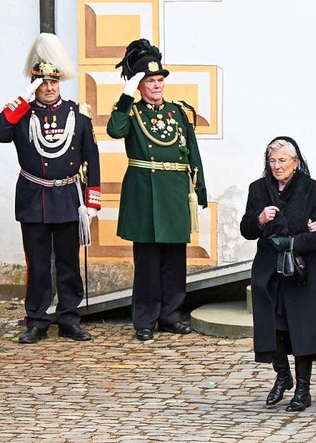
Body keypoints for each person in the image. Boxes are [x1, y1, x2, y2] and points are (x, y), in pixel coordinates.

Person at [0, 33, 101, 344]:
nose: (49, 88)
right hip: (33, 198)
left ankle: (69, 319)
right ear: (34, 84)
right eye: (42, 82)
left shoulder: (78, 114)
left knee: (68, 264)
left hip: (67, 198)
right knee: (37, 265)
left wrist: (91, 201)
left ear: (59, 83)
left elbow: (92, 157)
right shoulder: (23, 115)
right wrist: (21, 102)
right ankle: (37, 320)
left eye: (53, 82)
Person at [107, 39, 207, 342]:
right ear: (139, 85)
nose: (157, 85)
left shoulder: (178, 112)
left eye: (159, 80)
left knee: (175, 261)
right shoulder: (131, 112)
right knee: (148, 263)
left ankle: (170, 315)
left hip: (175, 192)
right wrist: (125, 97)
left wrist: (199, 188)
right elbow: (115, 130)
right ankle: (145, 319)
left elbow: (192, 151)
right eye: (150, 81)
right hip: (145, 194)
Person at [240, 136, 316, 412]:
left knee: (302, 331)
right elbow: (247, 229)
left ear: (295, 163)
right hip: (269, 268)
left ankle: (303, 389)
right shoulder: (258, 189)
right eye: (272, 161)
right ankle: (282, 374)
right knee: (270, 327)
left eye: (282, 160)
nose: (277, 166)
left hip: (302, 270)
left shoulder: (312, 190)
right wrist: (260, 219)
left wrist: (296, 241)